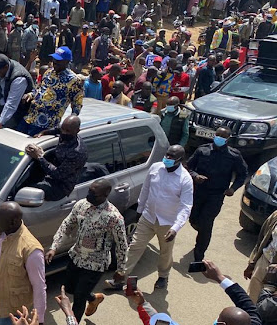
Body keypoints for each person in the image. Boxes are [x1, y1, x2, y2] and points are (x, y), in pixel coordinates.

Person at [107, 145, 193, 291]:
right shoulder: (155, 168)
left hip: (167, 223)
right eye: (167, 155)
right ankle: (121, 277)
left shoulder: (185, 179)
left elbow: (186, 206)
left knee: (165, 252)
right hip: (148, 217)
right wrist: (140, 210)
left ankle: (163, 276)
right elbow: (145, 190)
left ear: (180, 160)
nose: (168, 159)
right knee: (134, 247)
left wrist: (175, 228)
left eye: (172, 157)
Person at [46, 179, 128, 320]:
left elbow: (122, 245)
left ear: (105, 195)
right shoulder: (81, 205)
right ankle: (93, 298)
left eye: (93, 194)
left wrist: (121, 270)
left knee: (79, 298)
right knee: (69, 288)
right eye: (89, 191)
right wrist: (54, 246)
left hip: (95, 264)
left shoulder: (114, 217)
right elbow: (67, 224)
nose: (89, 195)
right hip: (76, 257)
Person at [187, 126, 247, 262]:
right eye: (218, 135)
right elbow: (189, 166)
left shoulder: (234, 155)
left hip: (216, 195)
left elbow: (243, 174)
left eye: (223, 137)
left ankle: (198, 256)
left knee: (206, 223)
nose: (219, 138)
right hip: (198, 192)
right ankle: (201, 231)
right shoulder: (202, 150)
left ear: (228, 139)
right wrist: (195, 175)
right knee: (194, 219)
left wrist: (233, 188)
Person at [19, 46, 83, 136]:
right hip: (29, 118)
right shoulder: (48, 72)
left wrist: (70, 125)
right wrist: (30, 95)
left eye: (58, 61)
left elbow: (77, 105)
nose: (55, 62)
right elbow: (39, 89)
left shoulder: (74, 81)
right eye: (54, 59)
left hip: (46, 126)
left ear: (67, 62)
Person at [24, 115, 87, 201]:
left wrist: (39, 157)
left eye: (68, 131)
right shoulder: (65, 131)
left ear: (77, 131)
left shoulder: (76, 152)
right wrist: (44, 132)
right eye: (63, 129)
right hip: (49, 174)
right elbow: (57, 130)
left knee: (25, 190)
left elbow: (58, 174)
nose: (64, 133)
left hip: (60, 187)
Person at [0, 54, 32, 133]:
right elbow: (2, 91)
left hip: (19, 109)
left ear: (5, 67)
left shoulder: (19, 79)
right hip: (5, 102)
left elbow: (12, 104)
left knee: (4, 129)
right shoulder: (3, 69)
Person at [245, 210, 277, 301]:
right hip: (265, 260)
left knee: (271, 307)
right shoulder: (275, 215)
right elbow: (262, 240)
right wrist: (252, 263)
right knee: (252, 299)